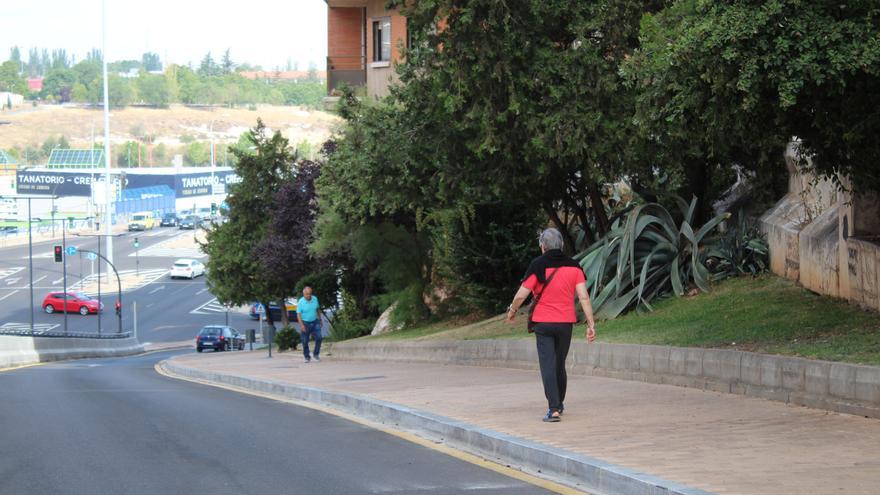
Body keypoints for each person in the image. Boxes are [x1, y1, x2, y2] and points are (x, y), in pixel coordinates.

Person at [506, 228, 596, 423]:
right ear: (562, 244)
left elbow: (522, 294)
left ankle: (553, 409)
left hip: (544, 323)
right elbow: (583, 296)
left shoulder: (538, 265)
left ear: (542, 246)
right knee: (559, 364)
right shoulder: (575, 266)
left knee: (548, 364)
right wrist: (591, 323)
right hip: (565, 324)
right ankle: (559, 403)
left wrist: (512, 311)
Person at [297, 286, 322, 363]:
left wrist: (320, 319)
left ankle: (316, 354)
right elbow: (298, 314)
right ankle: (307, 356)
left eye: (310, 294)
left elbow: (317, 309)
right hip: (305, 323)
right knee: (305, 341)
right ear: (303, 294)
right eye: (307, 294)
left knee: (319, 338)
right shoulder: (301, 302)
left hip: (315, 321)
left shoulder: (315, 299)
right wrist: (301, 325)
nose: (309, 295)